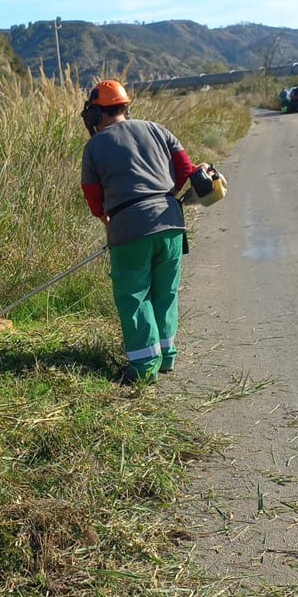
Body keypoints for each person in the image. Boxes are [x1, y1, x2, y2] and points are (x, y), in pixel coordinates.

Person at [80, 79, 202, 384]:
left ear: (96, 114)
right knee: (166, 292)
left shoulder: (94, 146)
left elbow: (93, 196)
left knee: (134, 296)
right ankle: (167, 356)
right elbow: (186, 170)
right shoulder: (158, 130)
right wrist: (163, 198)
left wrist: (107, 219)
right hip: (171, 223)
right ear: (125, 107)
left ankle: (145, 367)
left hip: (128, 227)